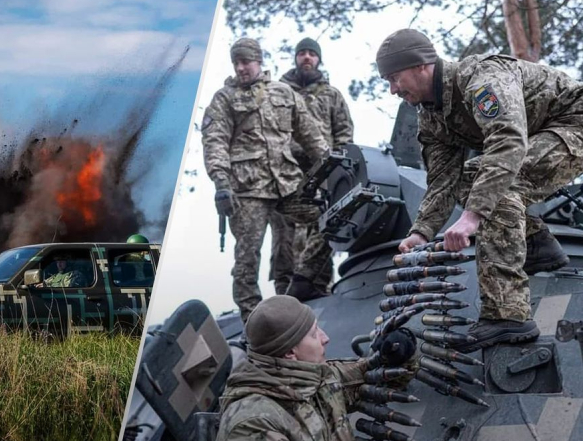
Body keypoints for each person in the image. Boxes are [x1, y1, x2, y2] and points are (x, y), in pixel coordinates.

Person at [376, 28, 583, 352]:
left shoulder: (480, 79)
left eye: (394, 78)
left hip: (575, 123)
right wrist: (420, 232)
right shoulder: (431, 117)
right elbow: (444, 179)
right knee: (473, 178)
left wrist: (472, 218)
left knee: (499, 187)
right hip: (539, 134)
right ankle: (536, 244)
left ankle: (508, 316)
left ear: (420, 65)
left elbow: (508, 143)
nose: (392, 90)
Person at [201, 38, 330, 322]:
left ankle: (304, 280)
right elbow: (215, 141)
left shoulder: (283, 93)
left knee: (331, 218)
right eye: (236, 63)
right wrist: (221, 183)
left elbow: (311, 135)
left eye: (245, 61)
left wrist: (330, 168)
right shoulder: (224, 98)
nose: (240, 67)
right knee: (247, 259)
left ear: (259, 60)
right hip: (247, 189)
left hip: (287, 182)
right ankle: (254, 320)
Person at [216, 295, 415, 440]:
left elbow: (381, 378)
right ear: (289, 353)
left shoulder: (316, 377)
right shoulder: (253, 424)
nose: (325, 338)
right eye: (313, 334)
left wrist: (399, 351)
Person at [270, 37, 355, 298]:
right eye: (302, 53)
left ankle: (317, 287)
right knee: (283, 239)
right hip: (284, 174)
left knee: (322, 228)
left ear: (318, 59)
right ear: (295, 58)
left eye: (312, 53)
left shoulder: (331, 95)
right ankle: (284, 295)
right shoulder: (277, 92)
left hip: (322, 173)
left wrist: (340, 170)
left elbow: (343, 134)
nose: (307, 57)